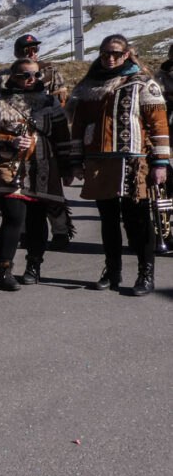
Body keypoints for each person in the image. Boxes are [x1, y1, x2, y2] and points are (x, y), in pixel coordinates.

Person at [68, 34, 169, 296]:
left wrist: (160, 163)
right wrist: (76, 161)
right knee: (108, 220)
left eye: (116, 54)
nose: (110, 59)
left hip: (134, 162)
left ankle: (145, 273)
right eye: (105, 54)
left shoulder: (143, 84)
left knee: (138, 219)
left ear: (126, 54)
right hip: (99, 162)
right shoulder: (89, 86)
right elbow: (78, 126)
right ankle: (112, 271)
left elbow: (158, 125)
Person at [0, 58, 73, 290]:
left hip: (43, 165)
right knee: (14, 217)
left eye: (36, 75)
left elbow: (62, 136)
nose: (31, 79)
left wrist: (67, 167)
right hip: (9, 166)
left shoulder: (50, 101)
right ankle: (5, 269)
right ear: (13, 76)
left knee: (37, 218)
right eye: (25, 75)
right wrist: (10, 140)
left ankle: (33, 266)